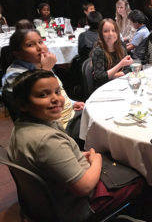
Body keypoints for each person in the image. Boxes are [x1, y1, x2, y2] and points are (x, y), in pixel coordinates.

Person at [8, 69, 144, 221]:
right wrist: (96, 161)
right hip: (77, 206)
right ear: (23, 105)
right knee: (140, 178)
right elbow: (84, 187)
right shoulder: (47, 141)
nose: (56, 99)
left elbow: (52, 159)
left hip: (53, 197)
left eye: (57, 91)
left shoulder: (23, 126)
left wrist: (78, 156)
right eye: (43, 95)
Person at [2, 29, 84, 130]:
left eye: (40, 42)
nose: (40, 47)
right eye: (30, 45)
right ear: (18, 53)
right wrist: (46, 70)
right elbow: (35, 107)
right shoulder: (14, 74)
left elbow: (59, 90)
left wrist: (72, 103)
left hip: (69, 114)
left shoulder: (39, 63)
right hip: (55, 126)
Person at [91, 19, 133, 90]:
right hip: (104, 89)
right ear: (101, 34)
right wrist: (121, 64)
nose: (110, 34)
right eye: (106, 31)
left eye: (113, 30)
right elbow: (100, 78)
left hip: (120, 85)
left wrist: (111, 75)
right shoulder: (98, 51)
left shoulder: (121, 48)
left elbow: (128, 69)